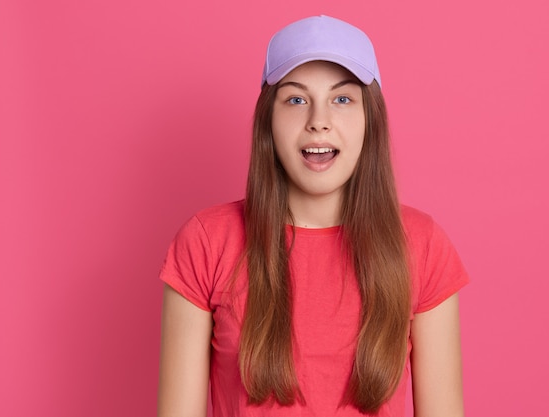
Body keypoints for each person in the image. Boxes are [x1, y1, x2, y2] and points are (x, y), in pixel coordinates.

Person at [158, 15, 469, 417]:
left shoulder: (424, 246)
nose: (318, 121)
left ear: (369, 119)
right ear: (268, 120)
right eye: (296, 99)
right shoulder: (205, 242)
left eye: (342, 99)